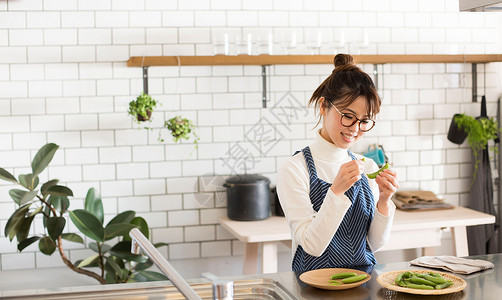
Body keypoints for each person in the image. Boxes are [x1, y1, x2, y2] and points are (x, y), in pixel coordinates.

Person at [276, 53, 399, 273]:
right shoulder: (295, 169)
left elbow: (374, 244)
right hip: (312, 288)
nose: (354, 129)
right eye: (348, 116)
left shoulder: (367, 167)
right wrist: (336, 192)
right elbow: (312, 246)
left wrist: (384, 201)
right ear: (324, 106)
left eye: (364, 121)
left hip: (363, 284)